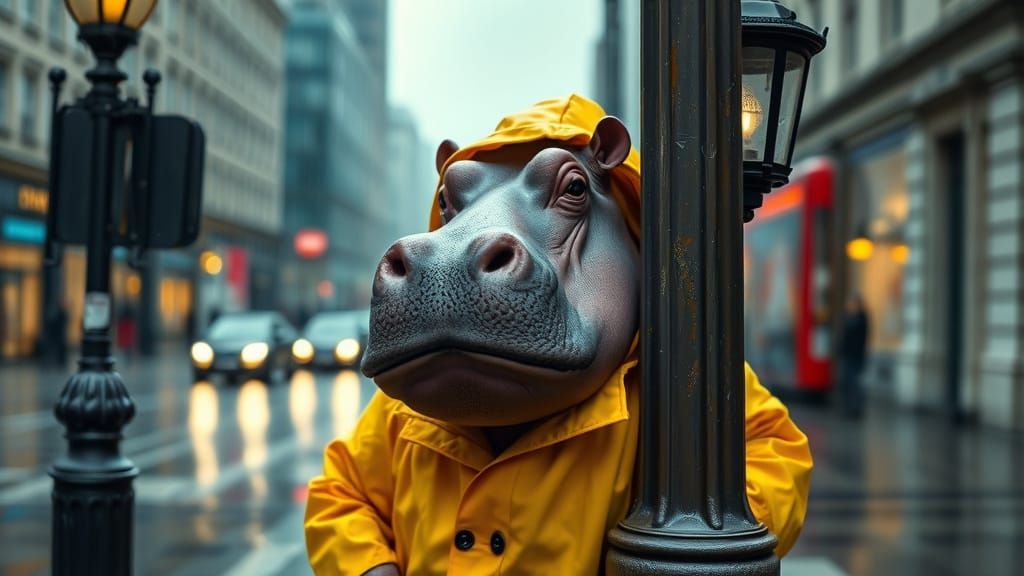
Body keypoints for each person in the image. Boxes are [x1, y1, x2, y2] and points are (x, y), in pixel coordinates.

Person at [838, 293, 870, 418]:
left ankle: (856, 409)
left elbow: (861, 338)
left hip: (856, 356)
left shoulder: (861, 318)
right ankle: (847, 408)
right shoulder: (846, 317)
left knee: (855, 384)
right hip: (846, 355)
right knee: (845, 383)